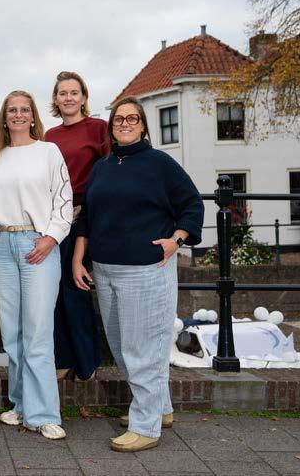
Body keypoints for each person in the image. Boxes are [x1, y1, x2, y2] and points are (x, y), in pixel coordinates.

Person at [72, 96, 204, 452]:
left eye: (132, 118)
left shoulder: (161, 164)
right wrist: (79, 258)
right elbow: (87, 217)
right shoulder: (102, 167)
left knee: (143, 348)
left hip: (146, 270)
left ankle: (145, 426)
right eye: (119, 119)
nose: (125, 124)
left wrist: (177, 240)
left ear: (143, 125)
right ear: (111, 125)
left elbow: (192, 205)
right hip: (106, 269)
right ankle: (159, 408)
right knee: (120, 346)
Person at [0, 91, 72, 440]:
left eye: (24, 110)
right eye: (12, 110)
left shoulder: (48, 151)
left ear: (32, 117)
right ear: (4, 117)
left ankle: (44, 414)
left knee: (37, 332)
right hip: (1, 244)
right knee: (12, 332)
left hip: (37, 243)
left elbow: (64, 199)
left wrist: (51, 237)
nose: (18, 114)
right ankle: (20, 405)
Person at [45, 71, 108, 381]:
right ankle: (63, 358)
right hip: (57, 217)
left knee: (75, 287)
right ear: (55, 100)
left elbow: (108, 172)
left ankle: (87, 361)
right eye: (62, 93)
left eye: (74, 92)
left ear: (83, 97)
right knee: (54, 291)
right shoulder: (49, 136)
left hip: (87, 214)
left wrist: (85, 207)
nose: (68, 98)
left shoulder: (99, 129)